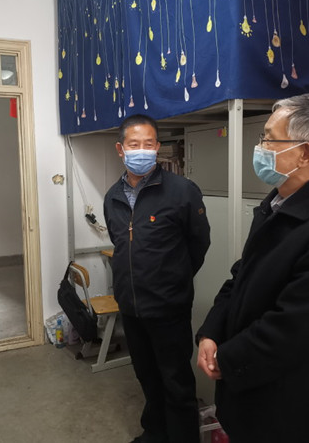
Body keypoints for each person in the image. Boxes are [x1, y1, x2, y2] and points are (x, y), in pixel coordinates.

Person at [196, 92, 309, 443]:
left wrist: (227, 358)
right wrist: (211, 332)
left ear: (305, 153)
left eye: (269, 138)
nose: (260, 147)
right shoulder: (280, 203)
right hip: (249, 389)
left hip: (288, 407)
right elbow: (241, 275)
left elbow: (295, 329)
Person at [103, 114, 211, 443]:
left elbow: (199, 243)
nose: (142, 150)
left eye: (148, 144)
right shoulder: (112, 197)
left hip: (168, 307)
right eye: (134, 144)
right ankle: (155, 433)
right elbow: (120, 243)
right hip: (131, 306)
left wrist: (173, 279)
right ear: (120, 149)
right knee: (147, 376)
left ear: (157, 147)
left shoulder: (182, 191)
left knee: (176, 380)